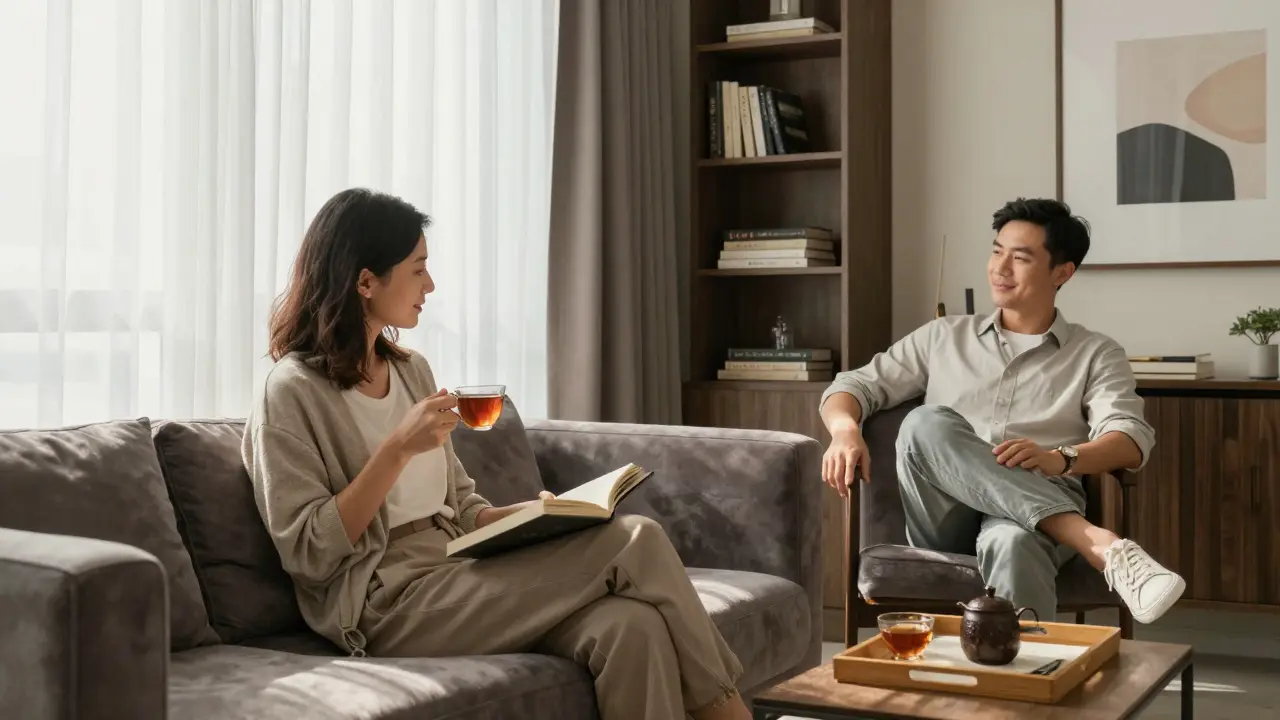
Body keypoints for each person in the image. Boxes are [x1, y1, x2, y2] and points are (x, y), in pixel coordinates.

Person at [241, 188, 749, 720]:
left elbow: (462, 508)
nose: (430, 285)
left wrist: (540, 516)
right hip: (384, 602)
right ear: (366, 281)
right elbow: (308, 552)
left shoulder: (411, 371)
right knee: (638, 538)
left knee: (630, 628)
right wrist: (394, 451)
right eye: (418, 270)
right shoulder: (291, 391)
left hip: (455, 568)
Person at [817, 197, 1185, 625]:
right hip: (945, 517)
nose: (1000, 268)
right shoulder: (943, 336)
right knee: (925, 422)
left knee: (1014, 543)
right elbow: (853, 385)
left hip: (1033, 519)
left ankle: (1024, 684)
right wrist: (844, 430)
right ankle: (1097, 542)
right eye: (997, 251)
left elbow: (1130, 440)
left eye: (1021, 257)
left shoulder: (1095, 353)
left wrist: (1060, 458)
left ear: (1062, 272)